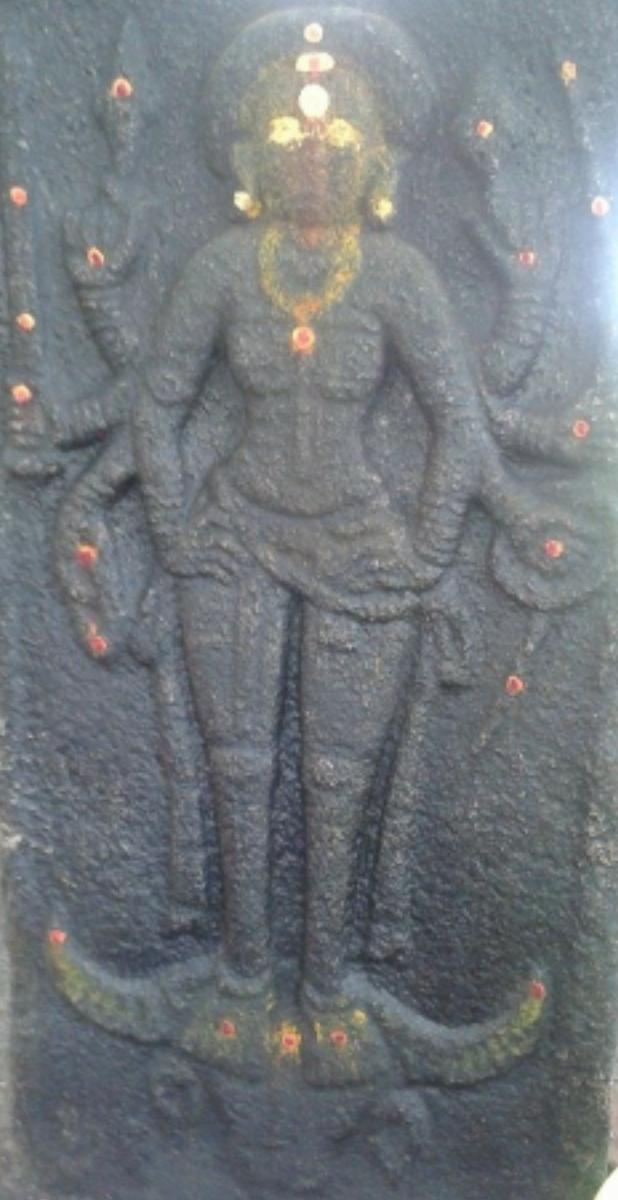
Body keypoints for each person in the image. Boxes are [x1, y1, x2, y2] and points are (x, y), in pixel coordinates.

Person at [132, 7, 494, 1077]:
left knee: (336, 776)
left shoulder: (396, 277)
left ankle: (330, 992)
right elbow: (159, 402)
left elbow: (458, 424)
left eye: (338, 139)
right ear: (252, 159)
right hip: (236, 534)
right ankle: (242, 978)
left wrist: (427, 550)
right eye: (290, 137)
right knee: (239, 764)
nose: (315, 158)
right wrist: (173, 526)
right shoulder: (222, 267)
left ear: (377, 159)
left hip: (358, 545)